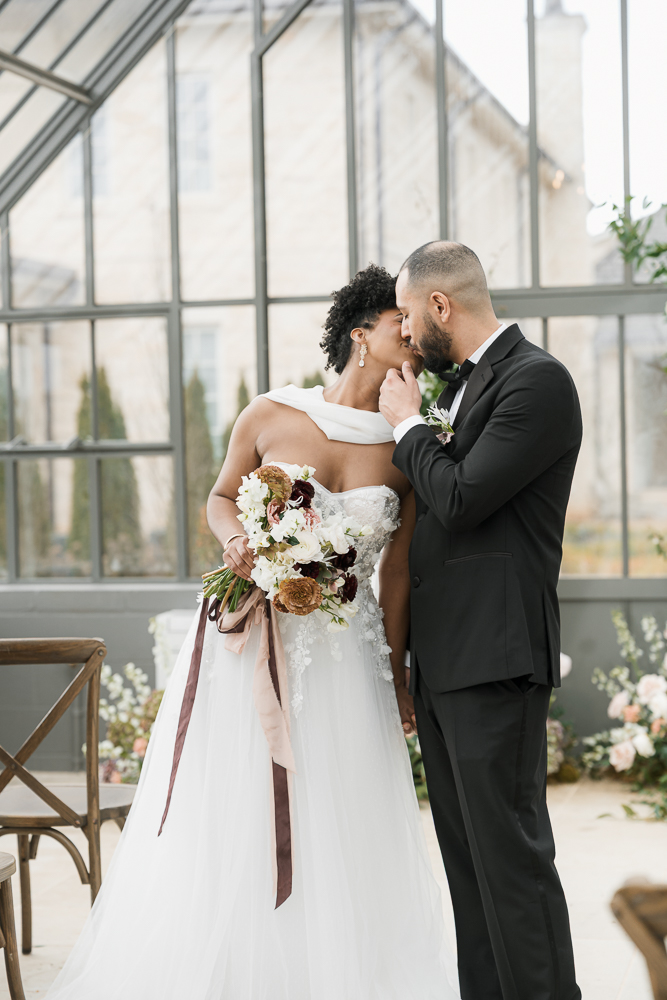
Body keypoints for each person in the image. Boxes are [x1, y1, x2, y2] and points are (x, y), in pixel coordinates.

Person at [46, 264, 458, 1000]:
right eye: (401, 321)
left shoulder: (407, 446)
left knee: (340, 811)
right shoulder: (269, 413)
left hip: (347, 654)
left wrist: (397, 672)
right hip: (249, 647)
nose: (415, 334)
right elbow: (218, 497)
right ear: (360, 333)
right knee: (234, 804)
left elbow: (394, 573)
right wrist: (239, 540)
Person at [379, 240, 582, 1000]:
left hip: (495, 657)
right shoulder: (460, 386)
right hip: (444, 660)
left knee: (511, 862)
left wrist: (408, 428)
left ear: (441, 305)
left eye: (407, 315)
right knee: (468, 869)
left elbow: (461, 499)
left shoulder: (537, 380)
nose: (404, 332)